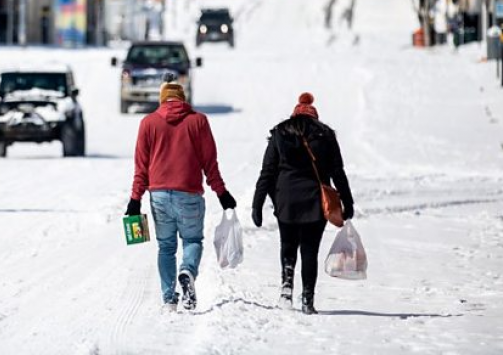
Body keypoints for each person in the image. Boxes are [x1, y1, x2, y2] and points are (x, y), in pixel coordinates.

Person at [126, 80, 236, 312]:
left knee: (166, 247)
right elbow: (210, 164)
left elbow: (141, 168)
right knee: (192, 241)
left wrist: (135, 199)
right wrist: (222, 193)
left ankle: (169, 299)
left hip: (159, 196)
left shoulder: (148, 123)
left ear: (162, 99)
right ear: (182, 98)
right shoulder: (198, 121)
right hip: (189, 194)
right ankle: (187, 271)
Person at [251, 92, 355, 315]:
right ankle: (308, 298)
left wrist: (257, 204)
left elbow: (267, 172)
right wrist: (347, 201)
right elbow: (338, 172)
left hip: (285, 199)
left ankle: (286, 289)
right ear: (314, 116)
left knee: (288, 245)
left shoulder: (280, 133)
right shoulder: (326, 135)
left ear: (295, 114)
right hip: (315, 201)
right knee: (309, 250)